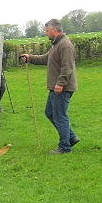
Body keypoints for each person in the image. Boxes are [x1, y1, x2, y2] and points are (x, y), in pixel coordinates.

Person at [20, 19, 79, 154]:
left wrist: (60, 83)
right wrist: (30, 57)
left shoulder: (65, 45)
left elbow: (67, 67)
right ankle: (71, 137)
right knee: (50, 113)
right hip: (57, 87)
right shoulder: (56, 45)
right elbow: (46, 58)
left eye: (47, 31)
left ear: (54, 30)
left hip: (62, 87)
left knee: (59, 116)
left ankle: (65, 147)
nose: (46, 33)